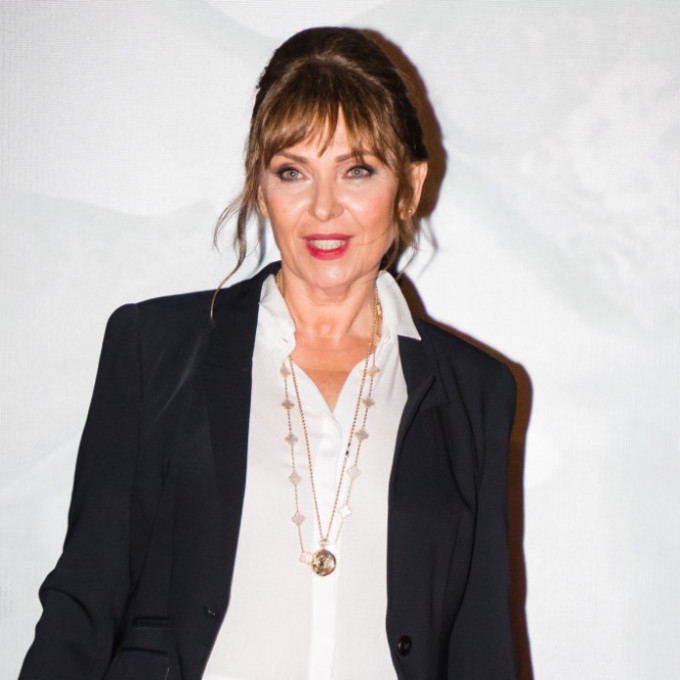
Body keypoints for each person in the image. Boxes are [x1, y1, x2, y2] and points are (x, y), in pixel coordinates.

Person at [19, 27, 517, 680]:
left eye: (357, 170)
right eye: (292, 172)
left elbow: (482, 643)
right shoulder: (155, 349)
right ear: (261, 186)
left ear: (409, 186)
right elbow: (84, 602)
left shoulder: (475, 391)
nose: (324, 208)